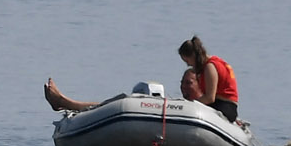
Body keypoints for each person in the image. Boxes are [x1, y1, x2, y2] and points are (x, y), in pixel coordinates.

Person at [44, 37, 239, 121]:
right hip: (223, 107)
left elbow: (210, 99)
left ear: (192, 56)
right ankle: (66, 102)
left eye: (186, 60)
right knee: (118, 102)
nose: (187, 65)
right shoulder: (211, 64)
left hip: (224, 108)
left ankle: (65, 103)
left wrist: (188, 106)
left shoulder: (210, 67)